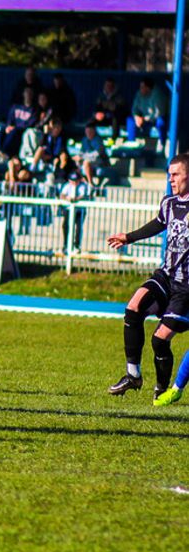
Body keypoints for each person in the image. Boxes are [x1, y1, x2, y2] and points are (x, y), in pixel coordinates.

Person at [106, 155, 189, 402]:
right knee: (133, 308)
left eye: (176, 174)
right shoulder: (169, 203)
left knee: (159, 340)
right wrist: (129, 237)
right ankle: (133, 375)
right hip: (166, 276)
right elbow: (157, 224)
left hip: (186, 288)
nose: (171, 179)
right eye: (169, 174)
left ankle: (161, 389)